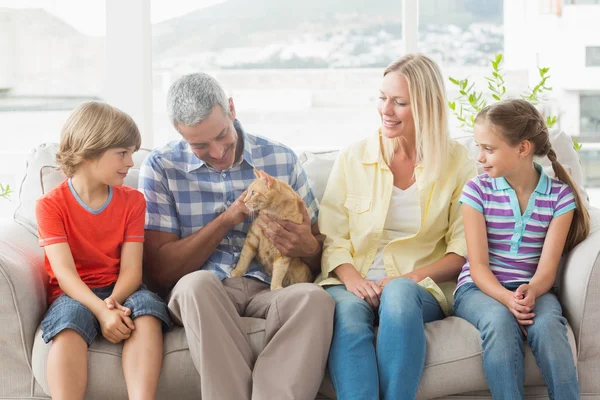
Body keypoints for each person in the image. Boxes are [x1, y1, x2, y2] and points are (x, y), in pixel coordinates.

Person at [139, 73, 334, 400]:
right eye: (200, 145)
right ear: (178, 131)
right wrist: (229, 218)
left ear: (231, 108)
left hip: (268, 288)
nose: (217, 152)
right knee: (196, 284)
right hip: (204, 290)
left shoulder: (280, 159)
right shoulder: (160, 168)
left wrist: (307, 246)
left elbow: (317, 253)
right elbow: (161, 271)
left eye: (221, 135)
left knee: (315, 299)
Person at [316, 53, 477, 399]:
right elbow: (333, 237)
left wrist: (406, 279)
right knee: (346, 314)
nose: (385, 110)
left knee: (399, 295)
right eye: (382, 97)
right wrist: (354, 280)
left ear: (426, 106)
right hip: (353, 280)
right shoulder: (353, 157)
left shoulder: (458, 163)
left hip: (420, 286)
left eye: (399, 102)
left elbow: (462, 250)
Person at [453, 99, 590, 399]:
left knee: (549, 328)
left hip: (535, 289)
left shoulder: (560, 198)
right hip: (479, 289)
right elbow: (477, 266)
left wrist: (531, 292)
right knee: (500, 323)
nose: (480, 157)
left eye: (489, 149)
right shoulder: (477, 191)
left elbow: (547, 269)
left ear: (523, 149)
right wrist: (506, 299)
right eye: (479, 147)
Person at [36, 101, 171, 400]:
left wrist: (112, 305)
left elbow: (132, 271)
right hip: (74, 293)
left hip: (121, 290)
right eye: (122, 153)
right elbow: (65, 274)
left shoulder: (133, 201)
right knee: (68, 323)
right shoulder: (50, 205)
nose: (130, 163)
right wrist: (100, 311)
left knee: (147, 311)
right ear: (89, 151)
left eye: (132, 153)